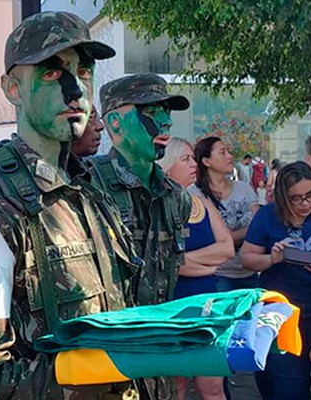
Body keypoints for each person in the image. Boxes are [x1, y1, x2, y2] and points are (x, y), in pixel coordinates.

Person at [0, 12, 140, 400]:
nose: (76, 91)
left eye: (84, 72)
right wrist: (100, 367)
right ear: (12, 89)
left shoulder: (89, 189)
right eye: (52, 73)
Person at [85, 73, 191, 399]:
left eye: (166, 111)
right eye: (151, 110)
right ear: (114, 124)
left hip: (159, 368)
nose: (165, 122)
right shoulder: (86, 187)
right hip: (105, 368)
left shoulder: (177, 197)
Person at [157, 138, 234, 400]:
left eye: (193, 158)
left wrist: (186, 262)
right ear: (167, 165)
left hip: (207, 306)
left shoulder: (200, 202)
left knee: (212, 387)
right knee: (175, 385)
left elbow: (227, 249)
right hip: (173, 308)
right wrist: (203, 265)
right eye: (185, 159)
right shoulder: (157, 206)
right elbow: (168, 264)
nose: (193, 165)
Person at [240, 161, 311, 400]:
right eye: (296, 198)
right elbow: (247, 258)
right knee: (287, 385)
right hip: (281, 312)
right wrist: (273, 258)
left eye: (310, 195)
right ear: (283, 197)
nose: (304, 204)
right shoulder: (268, 216)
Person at [190, 137, 260, 292]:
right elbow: (211, 238)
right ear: (206, 161)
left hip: (249, 272)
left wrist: (228, 237)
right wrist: (238, 235)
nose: (230, 156)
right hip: (218, 274)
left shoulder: (244, 189)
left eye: (228, 151)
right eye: (223, 152)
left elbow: (258, 227)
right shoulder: (194, 195)